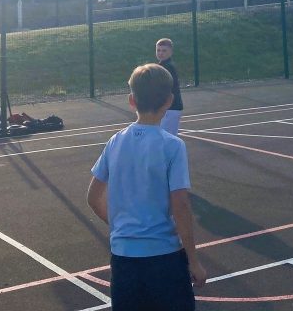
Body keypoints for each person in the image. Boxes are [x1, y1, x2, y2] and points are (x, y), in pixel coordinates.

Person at [87, 63, 206, 310]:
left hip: (124, 260)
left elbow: (93, 197)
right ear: (169, 101)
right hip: (163, 258)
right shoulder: (172, 146)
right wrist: (193, 260)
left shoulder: (115, 142)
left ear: (131, 100)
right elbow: (181, 205)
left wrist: (121, 226)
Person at [156, 38, 184, 135]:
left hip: (171, 108)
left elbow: (164, 88)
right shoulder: (162, 65)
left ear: (171, 52)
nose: (160, 53)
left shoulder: (167, 67)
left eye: (164, 50)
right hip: (168, 108)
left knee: (168, 139)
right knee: (164, 137)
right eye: (158, 50)